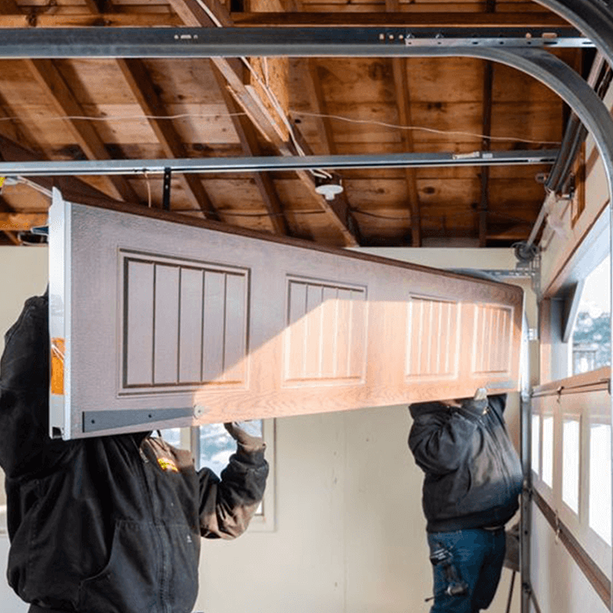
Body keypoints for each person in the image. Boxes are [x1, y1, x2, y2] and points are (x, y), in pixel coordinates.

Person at [0, 292, 269, 613]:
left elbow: (228, 515)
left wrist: (250, 447)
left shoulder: (170, 462)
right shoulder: (71, 450)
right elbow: (24, 390)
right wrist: (59, 293)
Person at [408, 389, 523, 613]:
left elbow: (498, 380)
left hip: (494, 531)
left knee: (477, 603)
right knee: (454, 608)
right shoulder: (426, 422)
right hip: (458, 537)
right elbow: (444, 457)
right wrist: (471, 411)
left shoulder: (486, 408)